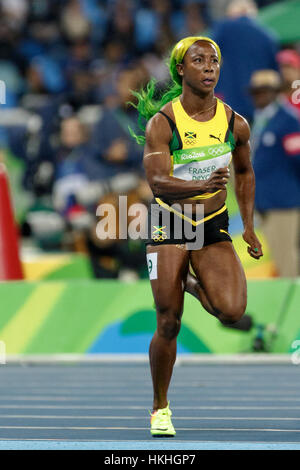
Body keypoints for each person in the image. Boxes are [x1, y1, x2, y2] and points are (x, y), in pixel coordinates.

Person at [131, 36, 263, 437]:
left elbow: (243, 173)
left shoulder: (234, 122)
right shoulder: (164, 123)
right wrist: (203, 184)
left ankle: (185, 281)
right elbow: (156, 182)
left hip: (212, 225)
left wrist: (250, 227)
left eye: (214, 61)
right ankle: (160, 408)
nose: (209, 67)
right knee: (168, 321)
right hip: (170, 221)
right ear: (180, 70)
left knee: (232, 311)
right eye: (199, 60)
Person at [250, 69, 300, 277]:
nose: (259, 96)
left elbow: (298, 160)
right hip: (264, 201)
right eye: (255, 92)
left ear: (275, 92)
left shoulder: (288, 120)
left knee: (287, 257)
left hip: (284, 200)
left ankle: (295, 305)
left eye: (263, 91)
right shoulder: (259, 120)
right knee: (278, 258)